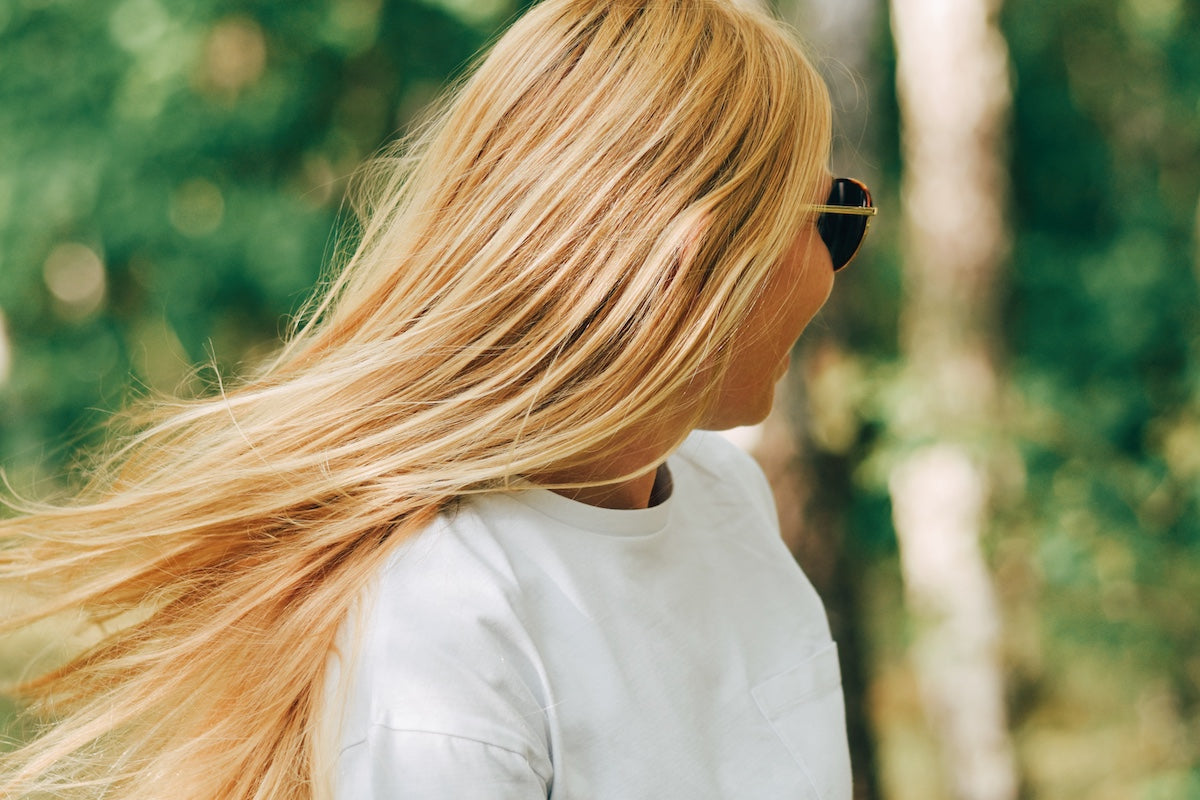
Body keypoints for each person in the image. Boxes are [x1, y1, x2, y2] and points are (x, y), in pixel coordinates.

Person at [0, 0, 876, 797]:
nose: (839, 267)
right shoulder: (449, 624)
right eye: (830, 216)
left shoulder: (727, 496)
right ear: (696, 259)